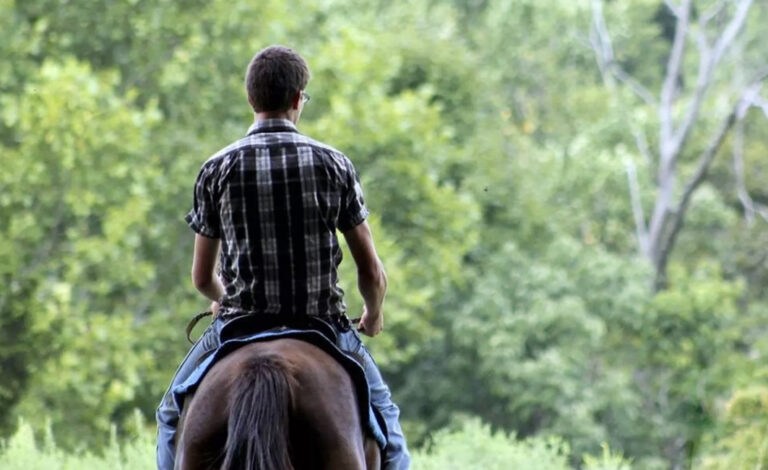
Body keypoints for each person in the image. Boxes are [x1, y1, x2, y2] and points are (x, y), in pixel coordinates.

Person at [155, 45, 411, 470]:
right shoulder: (334, 165)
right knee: (390, 433)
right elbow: (371, 270)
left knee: (170, 418)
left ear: (251, 98)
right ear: (297, 99)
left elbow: (201, 277)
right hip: (321, 325)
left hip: (239, 324)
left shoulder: (216, 169)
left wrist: (221, 298)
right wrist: (374, 313)